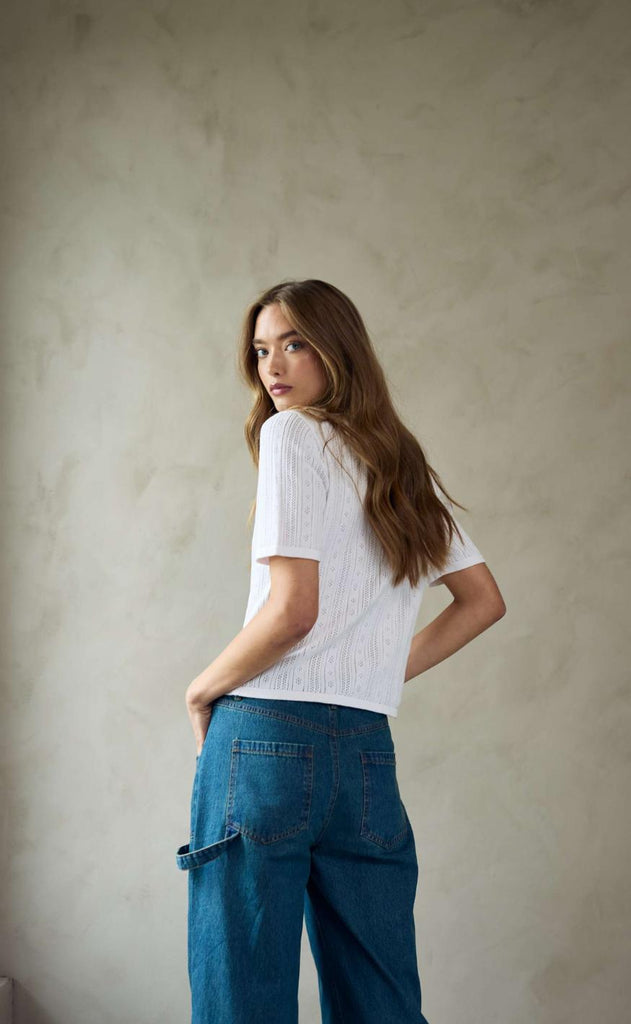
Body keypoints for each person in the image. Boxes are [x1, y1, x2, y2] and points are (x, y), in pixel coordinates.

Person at [175, 278, 506, 1024]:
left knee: (242, 996)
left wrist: (201, 689)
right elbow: (483, 601)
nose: (272, 366)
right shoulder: (398, 460)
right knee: (381, 1000)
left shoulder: (290, 436)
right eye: (261, 349)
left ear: (338, 348)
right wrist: (374, 672)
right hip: (364, 751)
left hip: (263, 739)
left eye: (294, 343)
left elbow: (293, 612)